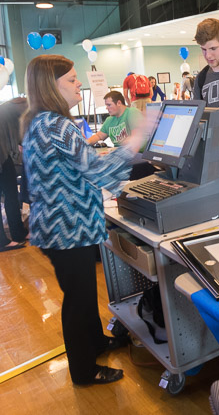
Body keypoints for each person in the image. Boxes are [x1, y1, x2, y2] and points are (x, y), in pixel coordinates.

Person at [21, 54, 146, 385]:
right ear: (52, 86)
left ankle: (96, 343)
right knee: (78, 299)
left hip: (60, 226)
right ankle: (83, 370)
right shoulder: (56, 125)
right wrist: (134, 143)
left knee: (85, 291)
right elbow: (97, 169)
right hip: (67, 228)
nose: (79, 84)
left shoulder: (41, 121)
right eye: (72, 79)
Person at [0, 97, 28, 251]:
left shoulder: (9, 107)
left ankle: (18, 233)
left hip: (4, 156)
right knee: (11, 195)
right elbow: (22, 137)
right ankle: (3, 241)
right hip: (2, 155)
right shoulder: (24, 108)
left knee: (11, 194)